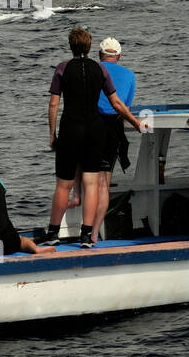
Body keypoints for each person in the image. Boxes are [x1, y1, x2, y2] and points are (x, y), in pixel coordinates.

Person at [45, 27, 143, 248]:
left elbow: (53, 104)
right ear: (89, 48)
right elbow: (117, 103)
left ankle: (52, 233)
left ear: (71, 46)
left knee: (63, 185)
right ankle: (87, 236)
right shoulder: (100, 70)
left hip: (71, 127)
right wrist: (135, 123)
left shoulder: (62, 68)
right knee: (92, 183)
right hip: (95, 130)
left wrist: (52, 134)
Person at [96, 36, 136, 197]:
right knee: (104, 182)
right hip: (113, 128)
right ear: (119, 56)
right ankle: (98, 220)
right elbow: (125, 109)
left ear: (99, 54)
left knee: (90, 179)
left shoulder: (93, 70)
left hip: (92, 126)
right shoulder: (129, 75)